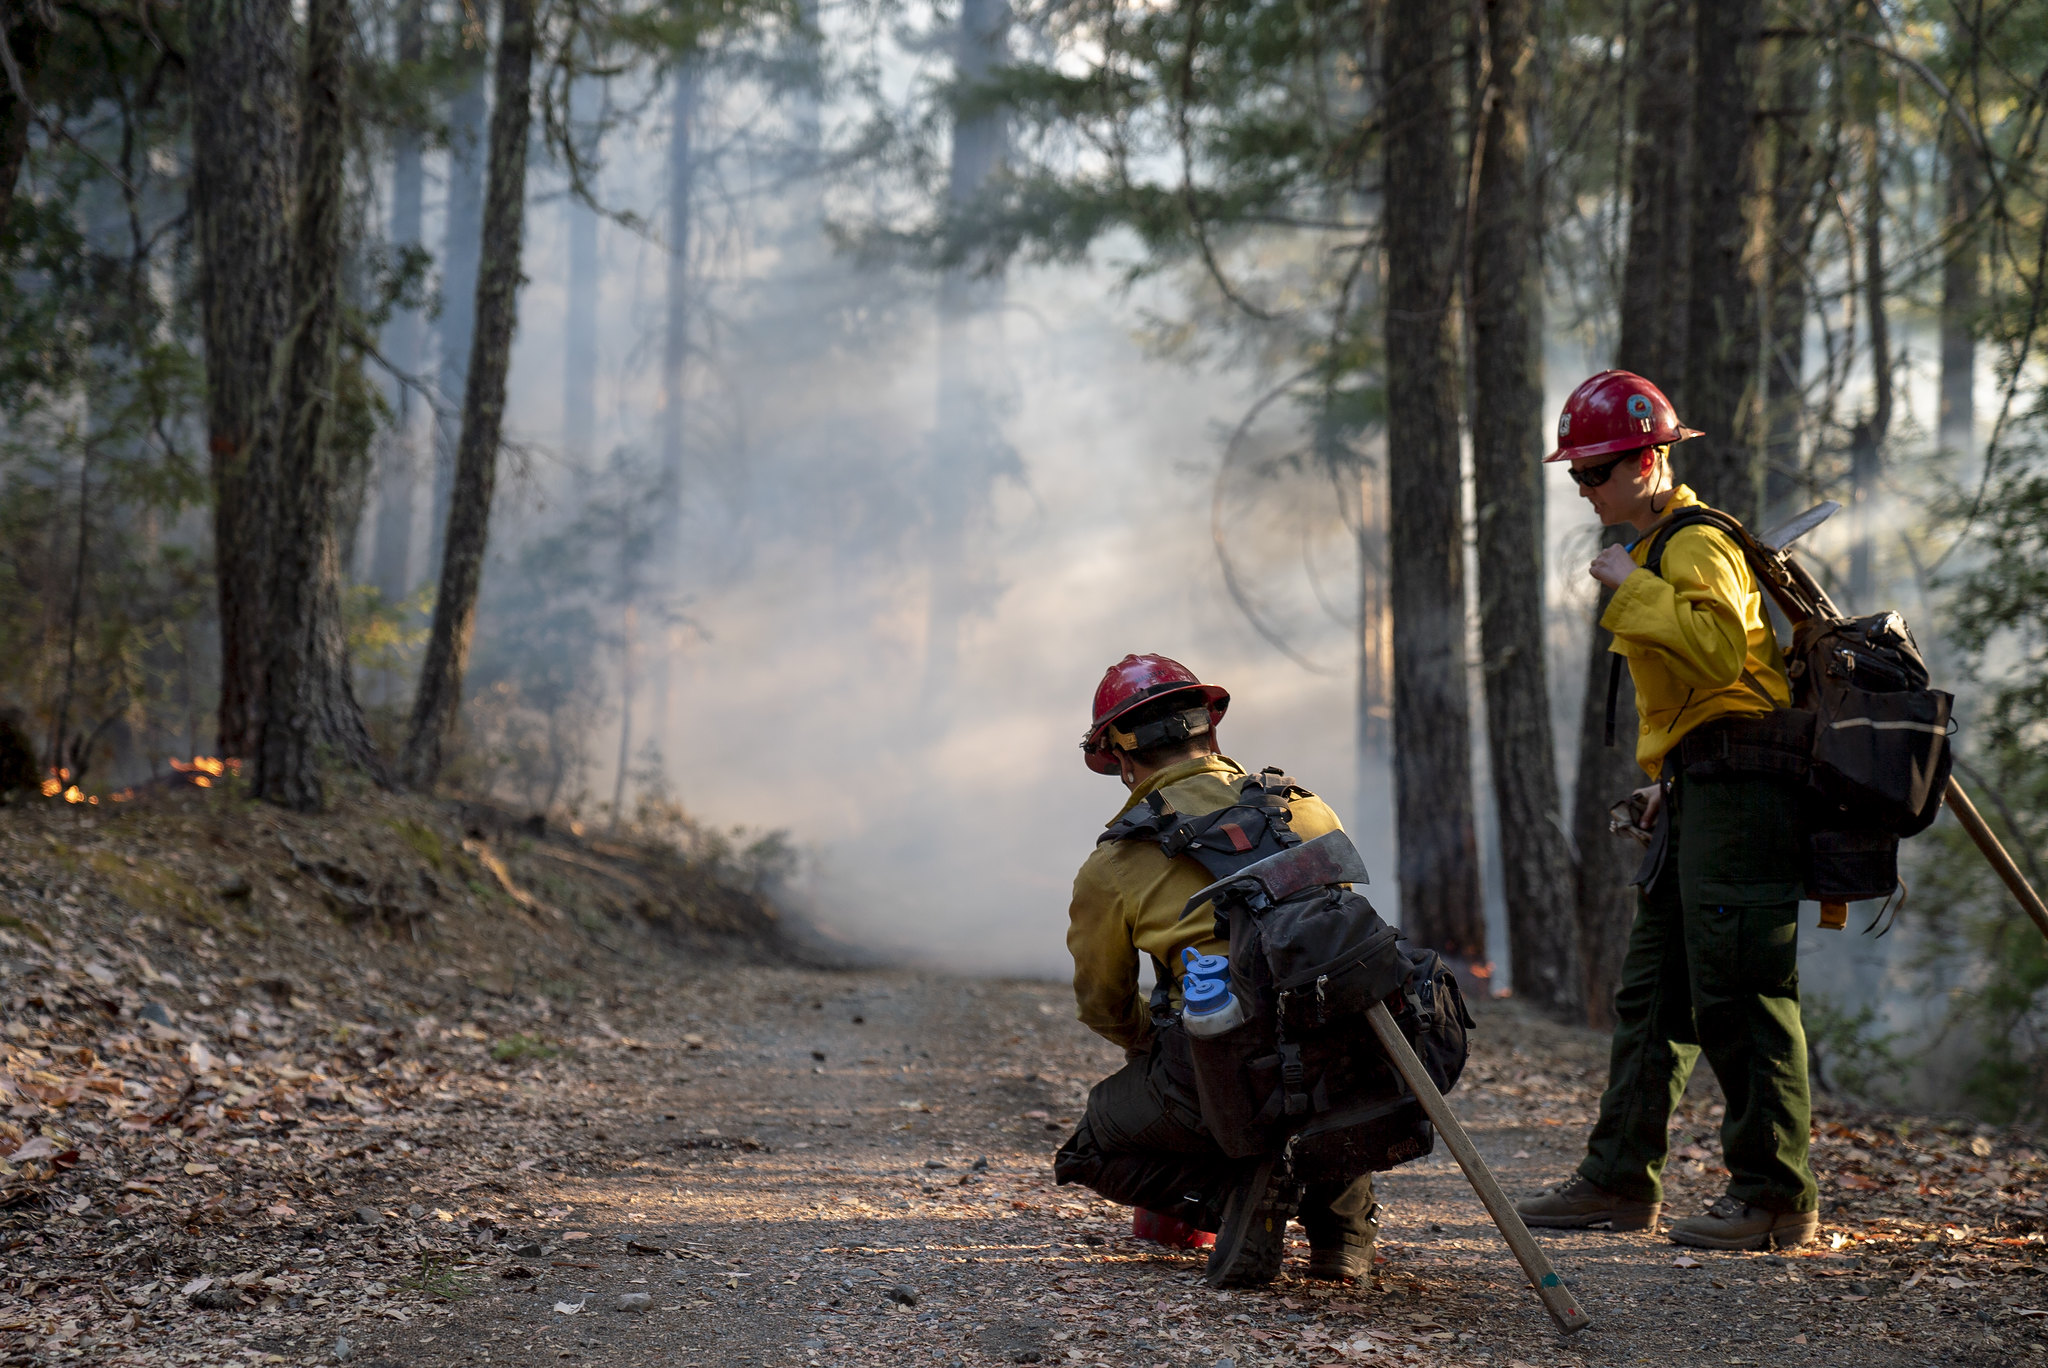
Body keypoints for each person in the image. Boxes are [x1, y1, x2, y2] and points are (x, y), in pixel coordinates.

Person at [1515, 370, 1819, 1252]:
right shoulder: (1659, 547)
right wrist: (1672, 778)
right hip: (1704, 790)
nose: (1585, 489)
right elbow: (1705, 696)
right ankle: (1617, 1181)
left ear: (1650, 459)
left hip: (1746, 799)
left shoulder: (1692, 545)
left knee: (1743, 993)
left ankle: (1774, 1195)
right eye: (1576, 476)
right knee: (1654, 999)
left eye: (1597, 471)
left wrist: (1629, 589)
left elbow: (1724, 657)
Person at [1051, 653, 1380, 1285]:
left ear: (1120, 757)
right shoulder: (1304, 807)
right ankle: (1343, 1237)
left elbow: (1104, 1005)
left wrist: (1155, 1043)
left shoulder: (1115, 864)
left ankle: (1240, 1195)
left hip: (1225, 1069)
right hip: (1352, 1061)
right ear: (1211, 729)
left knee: (1088, 1151)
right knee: (1322, 1047)